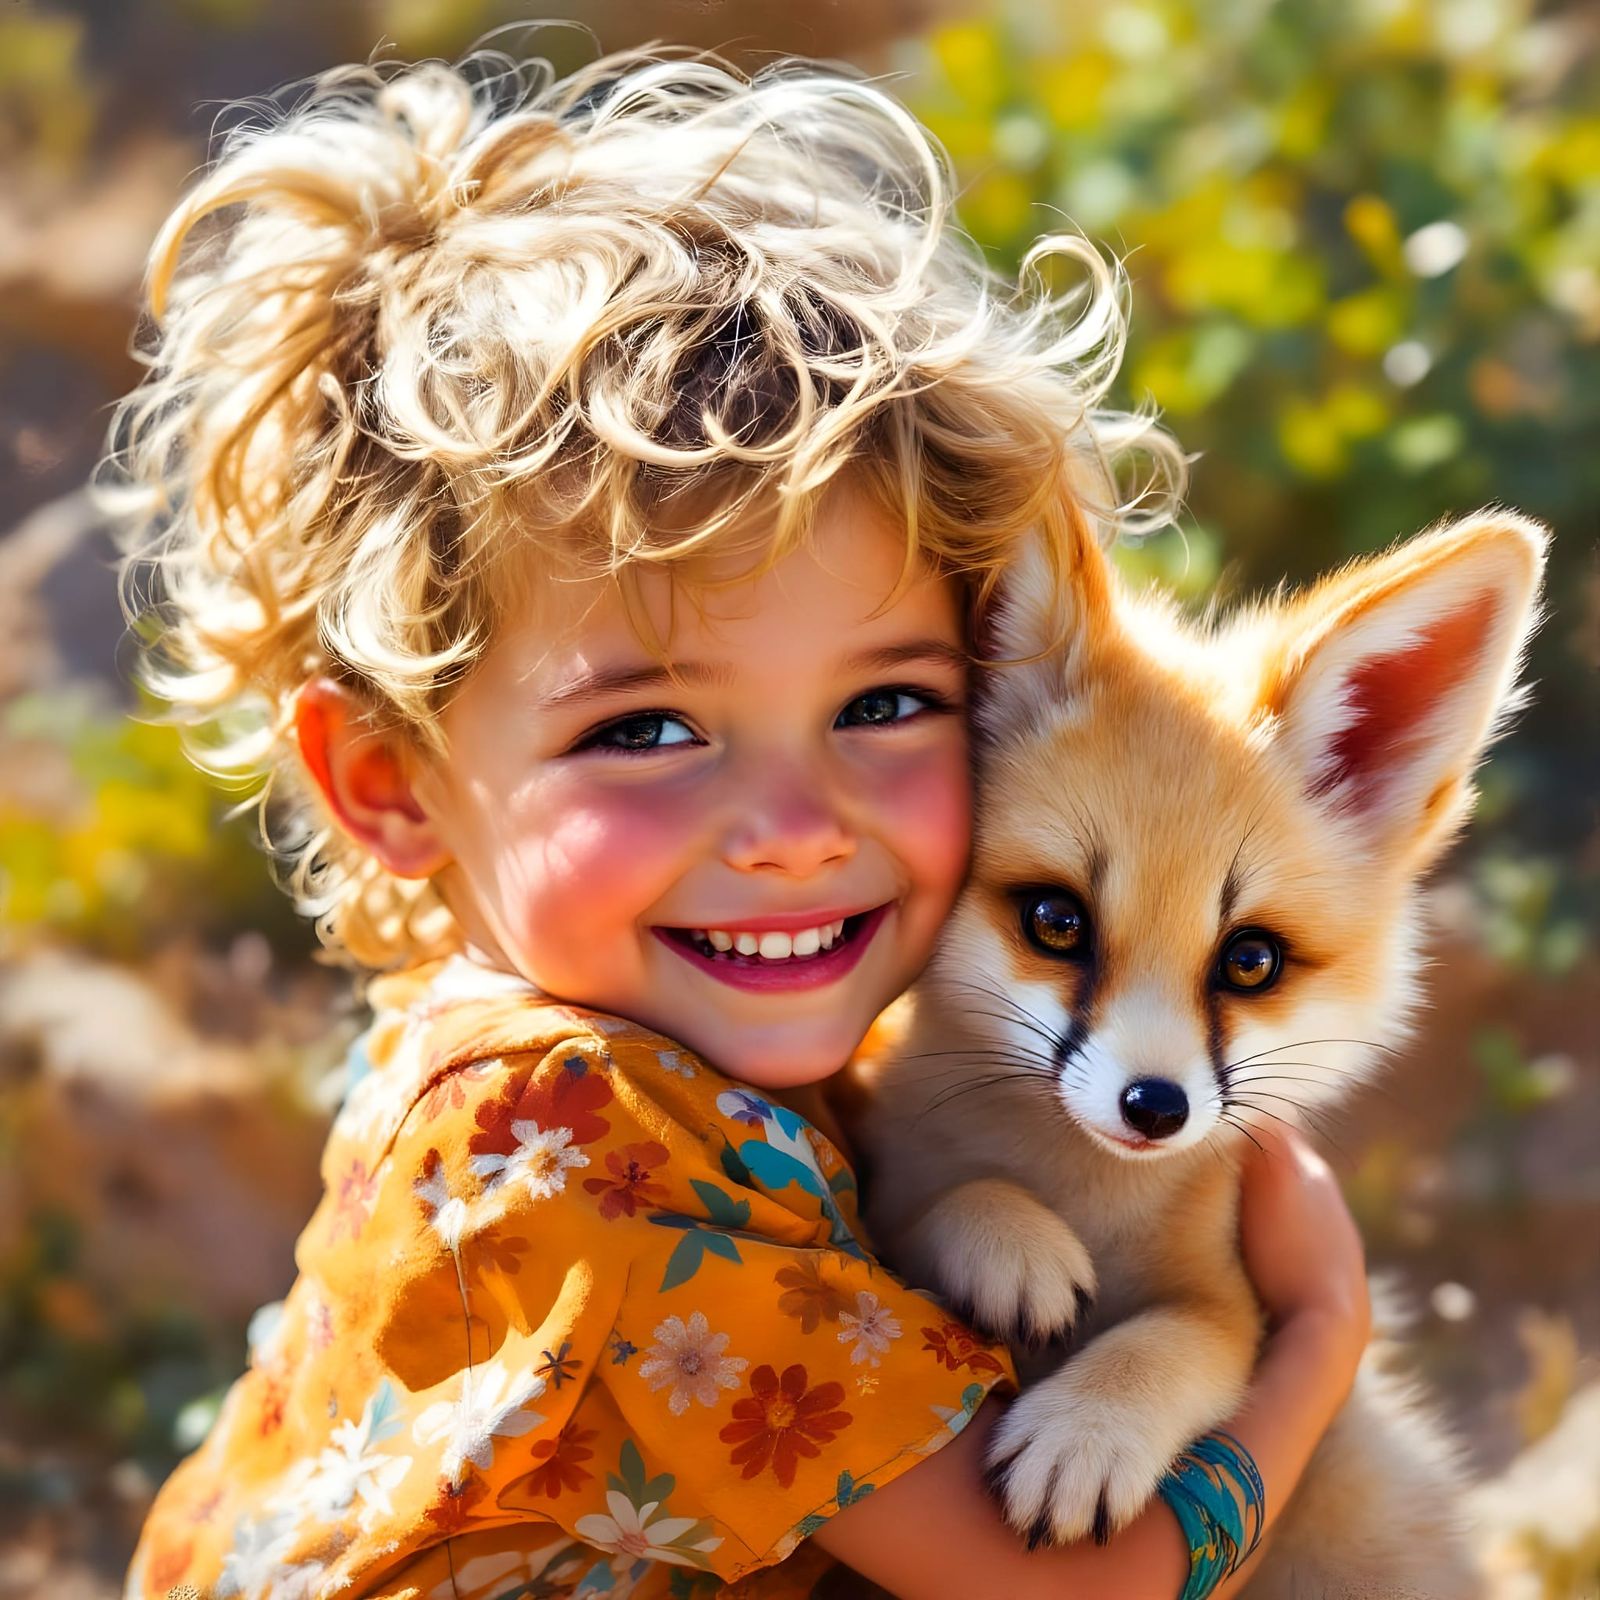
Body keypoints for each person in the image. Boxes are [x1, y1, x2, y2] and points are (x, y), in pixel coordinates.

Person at [104, 40, 1371, 1600]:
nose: (792, 826)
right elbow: (1064, 1592)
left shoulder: (593, 1044)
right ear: (386, 784)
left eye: (884, 705)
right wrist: (1311, 1340)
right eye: (644, 729)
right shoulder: (579, 1138)